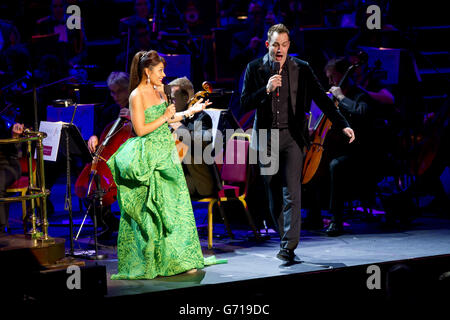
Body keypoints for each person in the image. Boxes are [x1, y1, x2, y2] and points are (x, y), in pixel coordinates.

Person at [240, 24, 355, 263]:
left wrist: (342, 123)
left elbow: (322, 98)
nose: (279, 49)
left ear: (289, 45)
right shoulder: (254, 68)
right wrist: (266, 89)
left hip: (293, 138)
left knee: (292, 191)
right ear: (267, 45)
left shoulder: (301, 68)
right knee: (273, 193)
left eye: (284, 45)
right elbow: (244, 104)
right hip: (266, 139)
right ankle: (285, 239)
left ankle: (288, 247)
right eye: (275, 45)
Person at [107, 50, 212, 279]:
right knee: (154, 210)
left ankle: (181, 258)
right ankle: (156, 259)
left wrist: (190, 111)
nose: (164, 75)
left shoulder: (160, 91)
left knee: (176, 207)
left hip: (167, 154)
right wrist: (165, 117)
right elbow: (141, 129)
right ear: (147, 71)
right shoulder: (137, 95)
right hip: (150, 157)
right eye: (160, 70)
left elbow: (170, 118)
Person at [323, 57, 379, 236]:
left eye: (333, 77)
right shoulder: (333, 99)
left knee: (336, 165)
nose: (330, 82)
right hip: (339, 148)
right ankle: (314, 213)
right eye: (328, 78)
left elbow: (362, 112)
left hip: (361, 152)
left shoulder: (359, 95)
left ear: (343, 75)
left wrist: (341, 97)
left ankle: (336, 220)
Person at [168, 77, 221, 201]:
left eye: (173, 99)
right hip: (183, 177)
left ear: (186, 98)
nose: (169, 104)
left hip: (200, 181)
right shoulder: (177, 119)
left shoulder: (201, 118)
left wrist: (178, 127)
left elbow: (201, 142)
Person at [0, 120, 24, 233]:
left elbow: (15, 150)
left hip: (8, 164)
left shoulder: (4, 122)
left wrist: (14, 136)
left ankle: (1, 226)